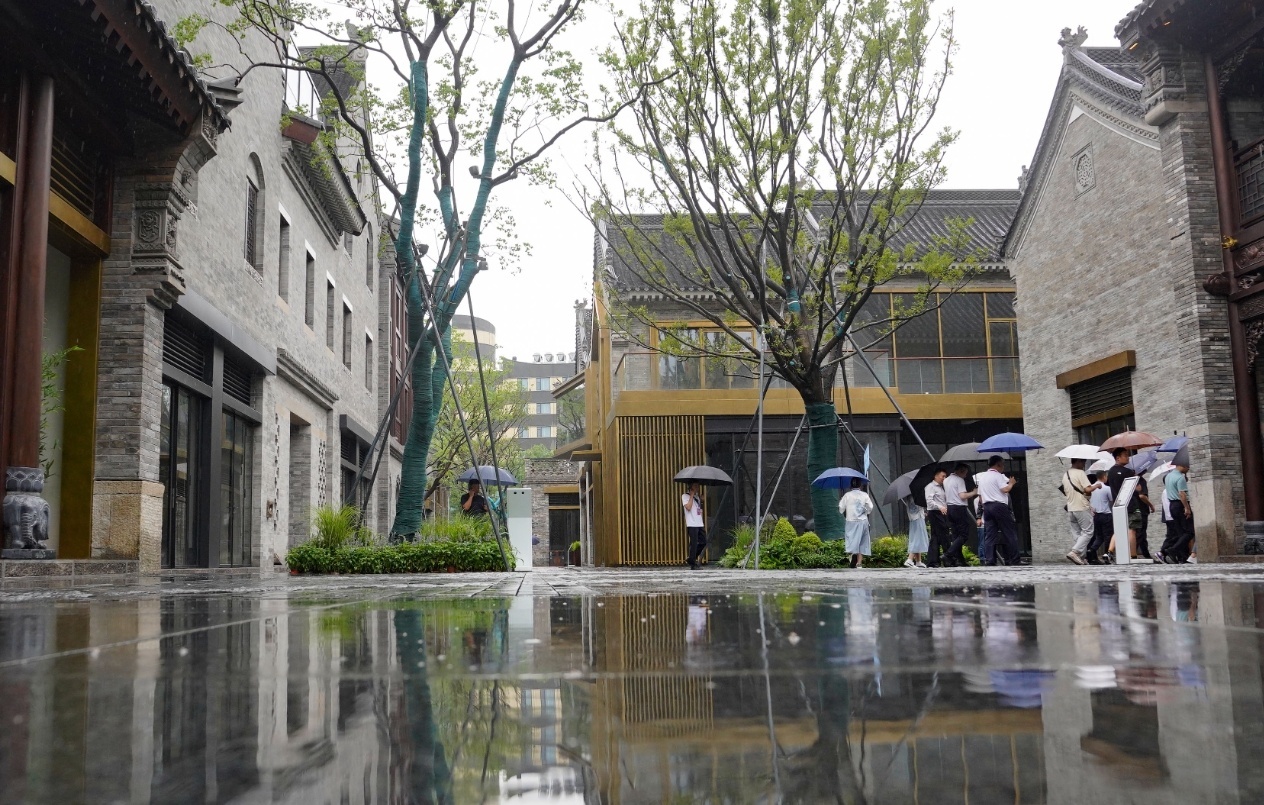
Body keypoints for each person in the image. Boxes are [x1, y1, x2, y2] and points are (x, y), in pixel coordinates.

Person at [977, 455, 1020, 565]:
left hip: (987, 506)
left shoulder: (982, 477)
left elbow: (980, 496)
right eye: (1003, 464)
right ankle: (1015, 559)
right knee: (1009, 532)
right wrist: (1011, 483)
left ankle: (989, 560)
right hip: (999, 506)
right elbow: (1005, 489)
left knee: (990, 535)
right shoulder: (998, 476)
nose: (1003, 467)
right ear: (998, 464)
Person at [1062, 457, 1102, 565]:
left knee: (1078, 534)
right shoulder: (1080, 473)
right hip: (1081, 506)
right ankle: (1075, 552)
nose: (1084, 464)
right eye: (1083, 462)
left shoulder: (1066, 474)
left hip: (1071, 507)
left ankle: (1081, 556)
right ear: (1078, 461)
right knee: (1088, 531)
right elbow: (1087, 489)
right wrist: (1097, 485)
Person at [1105, 447, 1140, 560]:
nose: (1128, 457)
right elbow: (1138, 488)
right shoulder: (1128, 472)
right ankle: (1133, 555)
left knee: (1119, 529)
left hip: (1118, 504)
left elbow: (1108, 484)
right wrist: (1136, 477)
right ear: (1118, 458)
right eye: (1125, 455)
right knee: (1131, 529)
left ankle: (1110, 551)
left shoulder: (1110, 472)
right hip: (1130, 504)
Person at [943, 464, 978, 567]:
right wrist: (973, 492)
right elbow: (962, 496)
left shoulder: (946, 480)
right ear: (961, 471)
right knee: (964, 534)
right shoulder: (959, 480)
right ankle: (948, 554)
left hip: (950, 507)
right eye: (965, 473)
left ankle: (959, 560)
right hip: (959, 508)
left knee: (956, 535)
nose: (966, 475)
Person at [1161, 461, 1194, 563]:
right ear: (1182, 465)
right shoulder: (1180, 477)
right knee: (1190, 531)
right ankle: (1173, 550)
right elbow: (1182, 494)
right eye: (1187, 466)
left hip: (1172, 505)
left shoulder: (1168, 476)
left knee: (1180, 532)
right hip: (1180, 505)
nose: (1188, 468)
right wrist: (1187, 508)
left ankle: (1182, 557)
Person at [839, 478, 874, 568]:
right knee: (862, 541)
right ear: (860, 485)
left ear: (851, 485)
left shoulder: (847, 495)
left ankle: (853, 554)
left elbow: (841, 508)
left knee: (851, 540)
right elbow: (870, 507)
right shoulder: (864, 495)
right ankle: (859, 563)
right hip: (863, 521)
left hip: (851, 521)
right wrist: (865, 511)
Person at [925, 468, 951, 567]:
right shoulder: (930, 486)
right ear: (936, 476)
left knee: (938, 536)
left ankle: (935, 561)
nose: (944, 478)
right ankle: (941, 560)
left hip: (942, 512)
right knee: (941, 535)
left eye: (945, 476)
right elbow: (929, 501)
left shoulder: (941, 487)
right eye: (942, 476)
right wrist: (940, 507)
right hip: (935, 513)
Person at [1088, 473, 1113, 564]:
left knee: (1099, 536)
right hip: (1106, 514)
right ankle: (1106, 554)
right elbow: (1111, 499)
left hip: (1095, 515)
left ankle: (1091, 550)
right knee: (1108, 536)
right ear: (1104, 477)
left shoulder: (1091, 488)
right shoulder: (1107, 488)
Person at [681, 482, 707, 569]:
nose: (697, 488)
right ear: (690, 487)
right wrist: (691, 495)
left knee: (703, 542)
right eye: (695, 486)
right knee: (694, 544)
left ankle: (691, 559)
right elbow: (688, 507)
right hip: (692, 524)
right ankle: (693, 564)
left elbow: (698, 511)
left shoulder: (697, 497)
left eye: (698, 486)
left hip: (699, 523)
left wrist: (701, 501)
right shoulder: (685, 496)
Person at [905, 497, 929, 568]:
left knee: (918, 537)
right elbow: (919, 505)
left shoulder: (909, 496)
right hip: (918, 517)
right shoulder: (915, 495)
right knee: (917, 538)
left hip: (914, 517)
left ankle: (918, 561)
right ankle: (909, 559)